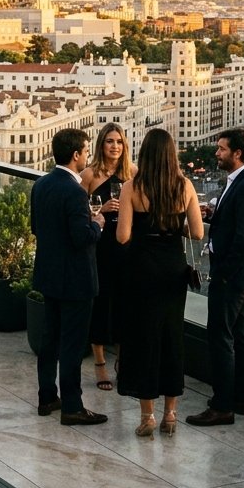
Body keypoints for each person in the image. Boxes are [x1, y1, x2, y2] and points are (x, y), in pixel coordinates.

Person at [115, 128, 203, 436]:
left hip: (141, 269)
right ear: (171, 154)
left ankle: (147, 416)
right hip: (172, 269)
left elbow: (123, 236)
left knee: (144, 339)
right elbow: (197, 233)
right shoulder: (185, 186)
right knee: (171, 338)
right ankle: (171, 414)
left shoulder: (131, 187)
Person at [188, 127, 244, 427]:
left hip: (230, 277)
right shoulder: (241, 181)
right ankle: (240, 398)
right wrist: (214, 214)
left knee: (220, 336)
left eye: (221, 149)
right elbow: (236, 224)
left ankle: (223, 405)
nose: (216, 154)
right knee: (241, 335)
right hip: (239, 276)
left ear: (237, 153)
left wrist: (223, 275)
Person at [32, 127, 108, 426]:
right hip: (76, 279)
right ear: (76, 155)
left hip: (49, 274)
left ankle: (47, 396)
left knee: (49, 339)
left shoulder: (41, 185)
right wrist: (98, 223)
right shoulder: (75, 192)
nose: (87, 157)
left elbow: (36, 227)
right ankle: (73, 406)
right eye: (86, 151)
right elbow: (81, 238)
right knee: (73, 345)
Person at [79, 122, 135, 392]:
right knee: (100, 302)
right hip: (99, 247)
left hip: (125, 247)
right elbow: (77, 211)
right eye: (110, 141)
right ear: (101, 145)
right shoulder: (89, 175)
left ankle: (123, 363)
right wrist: (98, 212)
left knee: (125, 304)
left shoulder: (133, 173)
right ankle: (100, 363)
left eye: (119, 142)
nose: (115, 146)